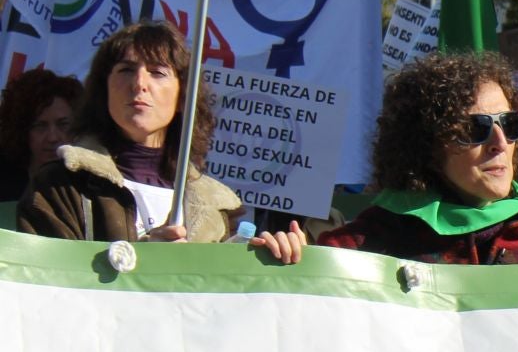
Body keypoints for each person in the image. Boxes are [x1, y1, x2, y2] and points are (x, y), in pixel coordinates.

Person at [317, 52, 518, 281]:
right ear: (428, 143)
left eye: (510, 124)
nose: (500, 142)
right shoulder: (365, 243)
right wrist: (286, 258)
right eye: (474, 128)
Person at [17, 21, 301, 261]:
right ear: (103, 89)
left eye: (158, 72)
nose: (139, 84)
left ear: (182, 97)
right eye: (126, 69)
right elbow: (47, 291)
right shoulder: (59, 187)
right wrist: (142, 261)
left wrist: (270, 257)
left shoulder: (217, 207)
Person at [0, 67, 82, 200]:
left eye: (63, 124)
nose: (52, 137)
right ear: (21, 130)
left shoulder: (93, 183)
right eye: (40, 126)